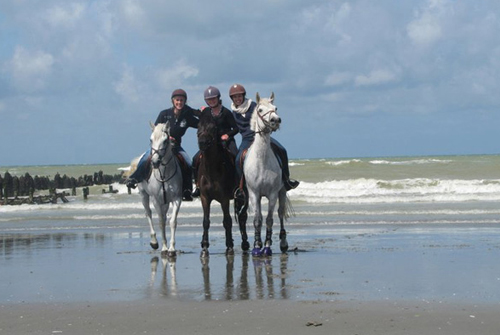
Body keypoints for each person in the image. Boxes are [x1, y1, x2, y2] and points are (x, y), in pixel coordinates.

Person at [126, 88, 200, 201]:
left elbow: (200, 123)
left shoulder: (187, 115)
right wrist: (165, 136)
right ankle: (135, 179)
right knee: (146, 158)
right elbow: (156, 131)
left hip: (176, 147)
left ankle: (186, 191)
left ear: (185, 101)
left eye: (181, 100)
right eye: (177, 100)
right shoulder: (164, 114)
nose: (179, 102)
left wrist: (204, 113)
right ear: (173, 101)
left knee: (189, 163)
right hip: (160, 146)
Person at [229, 83, 299, 199]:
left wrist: (271, 127)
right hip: (247, 139)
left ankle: (286, 180)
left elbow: (265, 118)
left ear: (243, 95)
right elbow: (235, 128)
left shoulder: (254, 106)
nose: (237, 99)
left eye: (239, 96)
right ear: (232, 99)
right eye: (235, 97)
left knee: (282, 150)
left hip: (261, 137)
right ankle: (241, 187)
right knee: (238, 159)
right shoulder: (234, 112)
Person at [191, 86, 239, 197]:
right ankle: (197, 185)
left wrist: (228, 135)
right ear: (206, 101)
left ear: (218, 98)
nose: (211, 101)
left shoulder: (226, 112)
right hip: (211, 143)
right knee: (195, 159)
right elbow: (196, 116)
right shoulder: (206, 112)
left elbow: (236, 128)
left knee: (236, 157)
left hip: (226, 141)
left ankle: (238, 186)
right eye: (209, 99)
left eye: (213, 98)